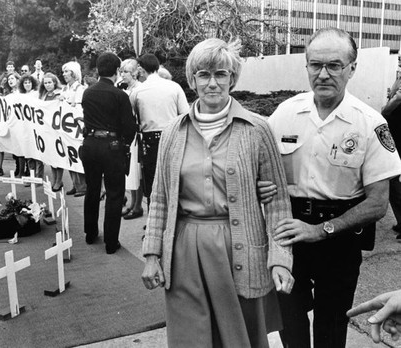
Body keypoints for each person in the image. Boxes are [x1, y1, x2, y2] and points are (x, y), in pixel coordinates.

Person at [141, 38, 294, 348]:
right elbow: (159, 199)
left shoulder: (257, 129)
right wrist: (151, 255)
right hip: (184, 248)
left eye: (220, 74)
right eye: (203, 74)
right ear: (192, 79)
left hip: (238, 245)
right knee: (191, 338)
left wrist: (280, 258)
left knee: (239, 337)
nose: (212, 83)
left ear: (232, 78)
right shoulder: (173, 130)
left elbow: (278, 203)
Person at [259, 27, 401, 348]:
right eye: (315, 65)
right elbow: (261, 173)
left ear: (352, 68)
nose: (323, 74)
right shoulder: (285, 113)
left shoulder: (369, 123)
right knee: (289, 324)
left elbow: (378, 204)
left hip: (339, 240)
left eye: (334, 65)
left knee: (331, 327)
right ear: (307, 66)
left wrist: (321, 230)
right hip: (289, 235)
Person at [81, 52, 137, 254]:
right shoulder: (119, 95)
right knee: (114, 194)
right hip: (112, 146)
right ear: (116, 71)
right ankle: (111, 242)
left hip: (89, 144)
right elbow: (129, 127)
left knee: (92, 189)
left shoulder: (88, 93)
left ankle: (90, 232)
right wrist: (124, 144)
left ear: (97, 70)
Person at [129, 53, 189, 207]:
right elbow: (185, 115)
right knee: (172, 180)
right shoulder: (173, 86)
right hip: (173, 136)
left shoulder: (138, 91)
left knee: (152, 182)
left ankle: (153, 220)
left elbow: (133, 117)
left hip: (149, 141)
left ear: (141, 69)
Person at [119, 58, 144, 220]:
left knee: (138, 171)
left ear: (135, 73)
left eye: (126, 72)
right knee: (131, 172)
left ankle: (138, 205)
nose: (123, 75)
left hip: (138, 134)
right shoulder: (125, 89)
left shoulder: (140, 89)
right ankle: (133, 201)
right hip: (127, 134)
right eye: (121, 72)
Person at [381, 52, 401, 237]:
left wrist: (383, 112)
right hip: (395, 129)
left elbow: (396, 99)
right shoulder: (399, 76)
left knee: (393, 176)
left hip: (397, 131)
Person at [60, 61, 87, 197]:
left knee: (76, 155)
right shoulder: (65, 89)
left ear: (74, 73)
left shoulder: (80, 89)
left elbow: (79, 108)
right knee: (68, 155)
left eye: (67, 71)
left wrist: (68, 104)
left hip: (76, 127)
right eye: (63, 72)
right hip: (66, 128)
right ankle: (75, 184)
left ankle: (82, 185)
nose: (64, 74)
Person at [38, 72, 64, 191]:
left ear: (54, 82)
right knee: (51, 157)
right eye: (45, 83)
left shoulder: (59, 94)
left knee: (58, 156)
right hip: (46, 129)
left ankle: (59, 180)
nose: (48, 85)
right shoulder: (43, 95)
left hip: (57, 129)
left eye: (50, 82)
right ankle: (54, 179)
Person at [19, 74, 43, 181]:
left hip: (35, 126)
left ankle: (39, 177)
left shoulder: (36, 94)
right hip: (24, 127)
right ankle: (32, 176)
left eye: (29, 82)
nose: (27, 84)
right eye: (25, 82)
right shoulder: (20, 95)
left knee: (37, 153)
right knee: (28, 153)